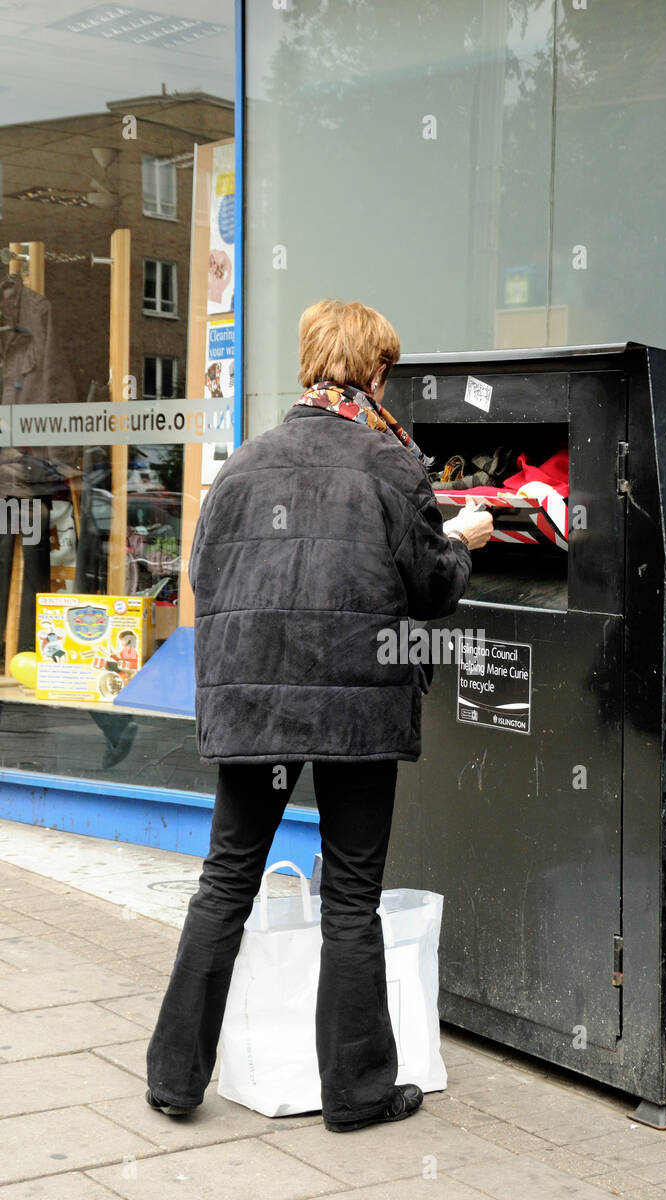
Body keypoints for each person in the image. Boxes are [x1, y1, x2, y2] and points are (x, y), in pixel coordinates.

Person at [146, 299, 492, 1133]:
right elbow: (431, 587)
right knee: (349, 892)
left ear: (309, 363)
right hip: (354, 709)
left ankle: (173, 1078)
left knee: (225, 880)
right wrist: (464, 539)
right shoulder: (390, 464)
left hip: (254, 702)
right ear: (373, 371)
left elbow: (203, 575)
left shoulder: (244, 464)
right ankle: (357, 1093)